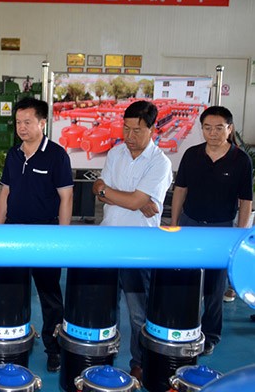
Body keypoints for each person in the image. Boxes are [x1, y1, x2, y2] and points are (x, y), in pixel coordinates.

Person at [92, 100, 172, 381]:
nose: (129, 136)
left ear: (152, 129)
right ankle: (104, 357)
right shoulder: (115, 153)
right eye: (126, 129)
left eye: (137, 130)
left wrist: (114, 194)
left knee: (139, 313)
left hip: (140, 247)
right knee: (105, 307)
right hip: (108, 242)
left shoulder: (160, 163)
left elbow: (131, 199)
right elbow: (99, 190)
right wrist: (130, 199)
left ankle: (139, 362)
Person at [0, 96, 74, 372]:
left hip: (45, 235)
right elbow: (5, 192)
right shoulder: (13, 155)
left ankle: (54, 349)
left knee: (50, 297)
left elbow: (66, 197)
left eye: (27, 122)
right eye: (18, 122)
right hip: (14, 234)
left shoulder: (57, 155)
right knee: (13, 294)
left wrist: (62, 237)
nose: (21, 127)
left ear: (42, 123)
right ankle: (13, 344)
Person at [171, 106, 253, 356]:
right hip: (190, 224)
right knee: (186, 281)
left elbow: (245, 201)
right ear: (202, 129)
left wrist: (239, 234)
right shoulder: (192, 155)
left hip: (221, 230)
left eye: (219, 128)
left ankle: (211, 335)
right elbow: (180, 190)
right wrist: (175, 223)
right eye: (207, 128)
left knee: (214, 288)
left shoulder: (241, 160)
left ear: (230, 129)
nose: (213, 133)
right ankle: (185, 328)